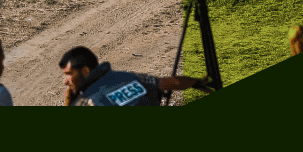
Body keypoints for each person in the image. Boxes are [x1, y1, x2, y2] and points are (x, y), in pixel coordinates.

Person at [59, 46, 207, 106]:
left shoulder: (86, 102)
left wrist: (70, 102)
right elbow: (172, 82)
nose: (65, 81)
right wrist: (198, 82)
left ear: (85, 71)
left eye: (69, 74)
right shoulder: (129, 78)